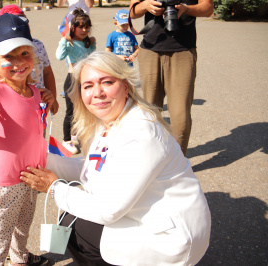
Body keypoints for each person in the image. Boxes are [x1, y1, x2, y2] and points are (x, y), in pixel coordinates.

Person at [20, 51, 211, 265]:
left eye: (107, 82)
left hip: (171, 238)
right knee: (70, 218)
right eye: (88, 86)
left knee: (75, 226)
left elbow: (107, 210)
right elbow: (92, 168)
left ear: (125, 86)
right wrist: (41, 159)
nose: (98, 93)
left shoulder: (141, 133)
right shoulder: (108, 121)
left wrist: (53, 187)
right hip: (144, 217)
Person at [0, 14, 54, 266]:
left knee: (22, 227)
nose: (18, 62)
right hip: (5, 182)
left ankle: (20, 260)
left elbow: (38, 126)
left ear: (33, 55)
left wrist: (48, 99)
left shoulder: (35, 91)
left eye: (24, 53)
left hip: (32, 176)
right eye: (8, 57)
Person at [129, 0, 214, 156]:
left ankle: (178, 163)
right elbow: (133, 11)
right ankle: (152, 159)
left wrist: (186, 9)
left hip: (183, 50)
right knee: (150, 113)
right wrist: (146, 6)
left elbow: (208, 8)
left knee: (180, 116)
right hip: (150, 50)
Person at [0, 5, 59, 115]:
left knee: (39, 131)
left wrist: (53, 97)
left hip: (39, 105)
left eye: (23, 22)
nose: (20, 27)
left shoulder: (38, 45)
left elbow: (47, 72)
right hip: (12, 109)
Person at [56, 8, 96, 154]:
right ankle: (66, 140)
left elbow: (91, 58)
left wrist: (92, 44)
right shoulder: (69, 42)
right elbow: (59, 56)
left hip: (86, 79)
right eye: (81, 27)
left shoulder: (86, 42)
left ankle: (76, 135)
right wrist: (63, 41)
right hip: (72, 80)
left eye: (87, 27)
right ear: (73, 28)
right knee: (71, 112)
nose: (84, 30)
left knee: (85, 109)